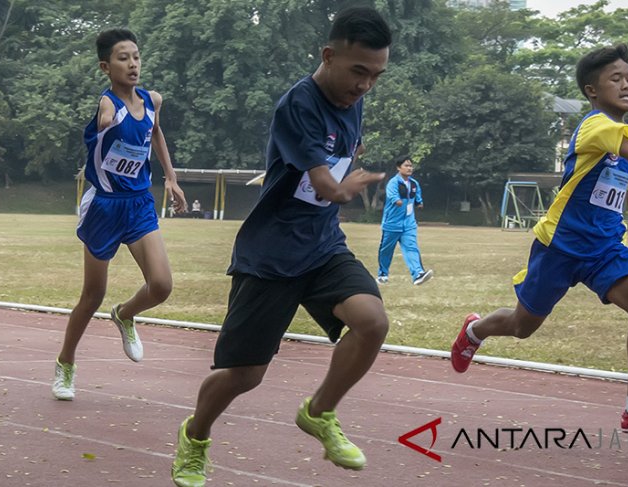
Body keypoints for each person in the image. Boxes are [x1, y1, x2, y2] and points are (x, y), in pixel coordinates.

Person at [170, 8, 391, 486]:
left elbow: (333, 172)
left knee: (372, 322)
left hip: (323, 246)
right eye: (358, 72)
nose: (365, 86)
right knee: (244, 376)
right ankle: (196, 436)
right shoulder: (298, 106)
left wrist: (340, 185)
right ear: (328, 55)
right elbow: (325, 184)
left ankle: (319, 411)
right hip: (270, 256)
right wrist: (346, 187)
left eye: (376, 75)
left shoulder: (354, 102)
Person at [451, 44, 628, 435]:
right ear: (593, 90)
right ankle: (476, 330)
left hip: (605, 246)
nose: (627, 84)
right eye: (616, 78)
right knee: (523, 326)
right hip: (561, 244)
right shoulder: (597, 126)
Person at [52, 28, 187, 401]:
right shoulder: (108, 105)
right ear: (105, 66)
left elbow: (155, 133)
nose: (132, 64)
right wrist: (105, 123)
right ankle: (66, 363)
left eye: (136, 57)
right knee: (92, 295)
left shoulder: (152, 99)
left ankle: (125, 314)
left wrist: (171, 178)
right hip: (104, 206)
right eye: (123, 58)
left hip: (139, 202)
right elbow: (103, 121)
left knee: (161, 285)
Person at [376, 155, 433, 285]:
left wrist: (419, 203)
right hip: (392, 223)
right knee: (386, 250)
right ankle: (382, 275)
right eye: (406, 165)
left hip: (409, 223)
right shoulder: (393, 182)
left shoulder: (414, 183)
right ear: (398, 167)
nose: (409, 168)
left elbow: (418, 197)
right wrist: (398, 200)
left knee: (411, 247)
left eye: (411, 166)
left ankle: (418, 274)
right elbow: (393, 197)